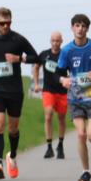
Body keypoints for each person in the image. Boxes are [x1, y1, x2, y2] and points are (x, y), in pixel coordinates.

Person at [0, 8, 38, 179]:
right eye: (2, 23)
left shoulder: (18, 39)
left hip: (14, 90)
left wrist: (18, 59)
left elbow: (36, 57)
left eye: (8, 23)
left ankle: (12, 156)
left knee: (13, 129)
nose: (5, 26)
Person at [56, 14, 91, 181]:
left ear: (87, 28)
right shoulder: (66, 50)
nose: (80, 29)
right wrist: (62, 80)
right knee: (81, 134)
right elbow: (58, 72)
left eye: (83, 26)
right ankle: (86, 171)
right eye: (77, 25)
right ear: (72, 28)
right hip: (75, 98)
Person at [32, 31, 67, 159]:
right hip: (48, 90)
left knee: (61, 118)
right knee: (48, 115)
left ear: (61, 41)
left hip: (62, 91)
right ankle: (49, 147)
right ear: (50, 41)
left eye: (57, 40)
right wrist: (36, 83)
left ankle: (61, 145)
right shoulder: (44, 54)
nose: (55, 43)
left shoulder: (65, 55)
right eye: (53, 40)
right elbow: (36, 66)